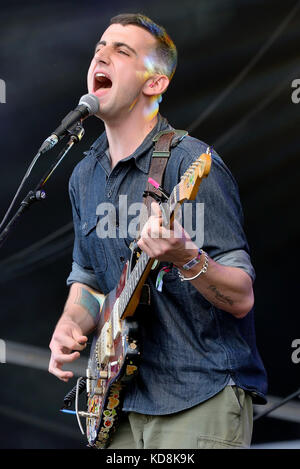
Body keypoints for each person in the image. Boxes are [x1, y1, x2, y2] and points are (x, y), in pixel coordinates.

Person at [48, 13, 267, 449]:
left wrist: (187, 257)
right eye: (99, 48)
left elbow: (241, 297)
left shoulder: (192, 164)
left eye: (121, 51)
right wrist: (72, 321)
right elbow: (89, 278)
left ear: (155, 84)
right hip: (119, 404)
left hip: (197, 396)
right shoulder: (84, 176)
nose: (101, 55)